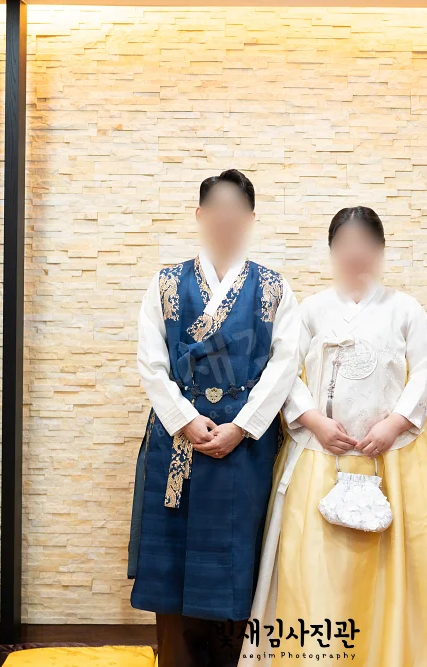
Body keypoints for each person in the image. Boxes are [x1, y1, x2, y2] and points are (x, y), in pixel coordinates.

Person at [243, 207, 427, 667]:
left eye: (365, 245)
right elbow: (283, 372)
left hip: (396, 457)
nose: (355, 254)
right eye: (345, 245)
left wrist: (395, 423)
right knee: (316, 566)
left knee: (408, 565)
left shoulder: (405, 309)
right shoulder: (310, 310)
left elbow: (426, 370)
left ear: (380, 250)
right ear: (332, 251)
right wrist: (313, 419)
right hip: (320, 454)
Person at [129, 169, 300, 667]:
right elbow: (151, 363)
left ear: (250, 218)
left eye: (236, 211)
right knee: (174, 565)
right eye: (216, 210)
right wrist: (183, 418)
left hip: (244, 444)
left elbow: (286, 364)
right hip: (178, 441)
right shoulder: (166, 283)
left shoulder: (272, 288)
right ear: (200, 215)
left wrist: (242, 426)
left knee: (236, 560)